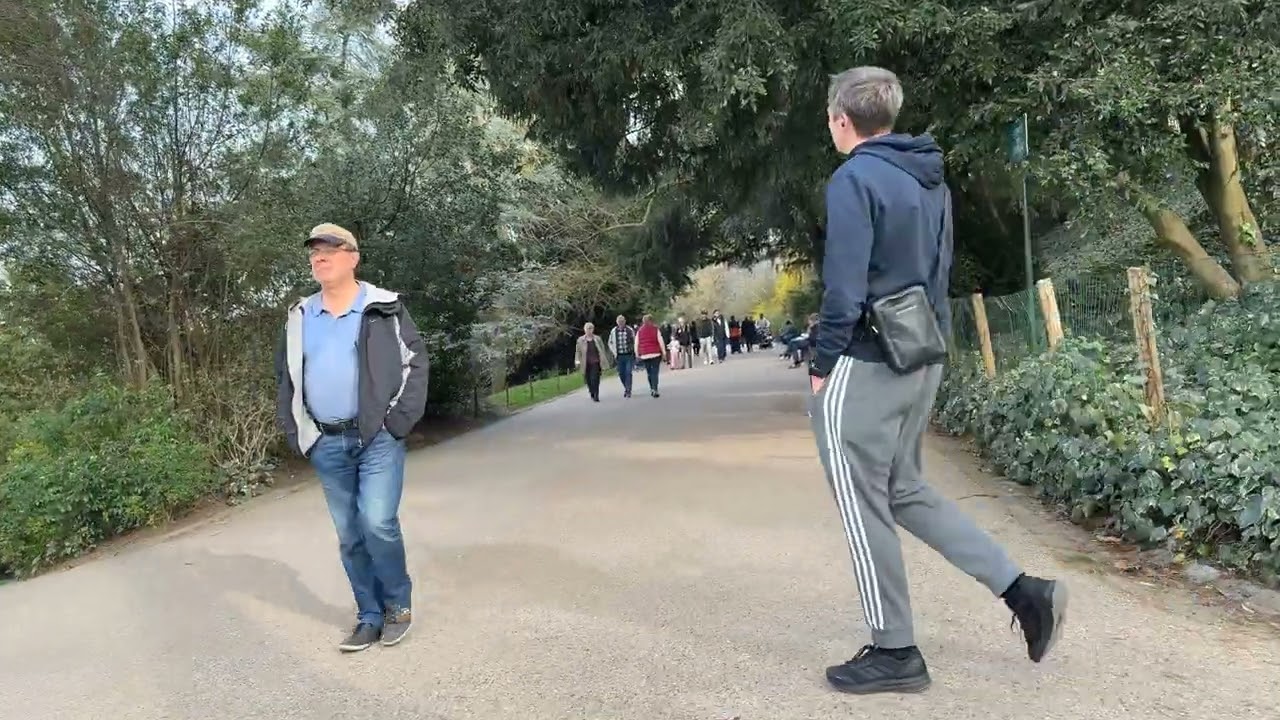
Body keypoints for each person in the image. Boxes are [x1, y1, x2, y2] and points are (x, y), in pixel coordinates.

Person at [806, 67, 1066, 695]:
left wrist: (821, 365)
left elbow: (843, 289)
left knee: (863, 502)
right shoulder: (929, 179)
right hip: (923, 352)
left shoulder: (854, 179)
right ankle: (1023, 591)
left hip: (867, 363)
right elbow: (936, 270)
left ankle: (894, 650)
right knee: (903, 491)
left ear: (842, 119)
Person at [274, 223, 429, 653]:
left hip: (378, 437)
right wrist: (298, 433)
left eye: (329, 249)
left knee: (377, 523)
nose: (318, 257)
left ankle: (398, 606)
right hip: (327, 441)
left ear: (353, 257)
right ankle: (369, 615)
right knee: (349, 534)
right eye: (313, 251)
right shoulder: (300, 316)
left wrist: (397, 423)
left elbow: (416, 363)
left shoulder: (383, 307)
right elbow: (286, 377)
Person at [574, 322, 613, 402]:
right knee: (588, 379)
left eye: (591, 329)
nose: (589, 331)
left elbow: (602, 349)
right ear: (585, 330)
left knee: (595, 378)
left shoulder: (597, 339)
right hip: (586, 363)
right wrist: (577, 360)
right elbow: (578, 352)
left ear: (593, 329)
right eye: (587, 329)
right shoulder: (580, 340)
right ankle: (591, 391)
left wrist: (603, 360)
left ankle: (596, 394)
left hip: (595, 362)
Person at [635, 314, 666, 397]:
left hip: (645, 354)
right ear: (651, 321)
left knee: (649, 372)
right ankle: (655, 389)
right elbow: (661, 341)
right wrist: (664, 353)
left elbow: (636, 343)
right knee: (655, 372)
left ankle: (652, 388)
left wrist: (637, 354)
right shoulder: (656, 330)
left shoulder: (639, 331)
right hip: (655, 353)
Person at [607, 315, 637, 398]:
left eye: (622, 321)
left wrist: (634, 350)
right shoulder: (614, 331)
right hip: (619, 356)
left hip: (628, 355)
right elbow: (610, 342)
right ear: (617, 322)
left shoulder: (629, 330)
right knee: (621, 373)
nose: (621, 323)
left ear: (624, 322)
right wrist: (614, 352)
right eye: (619, 322)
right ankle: (626, 387)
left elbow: (635, 341)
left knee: (628, 372)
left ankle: (628, 390)